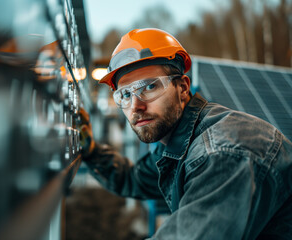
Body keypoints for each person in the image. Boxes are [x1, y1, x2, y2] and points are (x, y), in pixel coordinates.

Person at [79, 28, 292, 240]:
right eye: (125, 94)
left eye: (150, 86)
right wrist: (91, 151)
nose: (136, 106)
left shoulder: (221, 154)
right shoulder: (175, 142)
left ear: (182, 88)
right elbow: (135, 179)